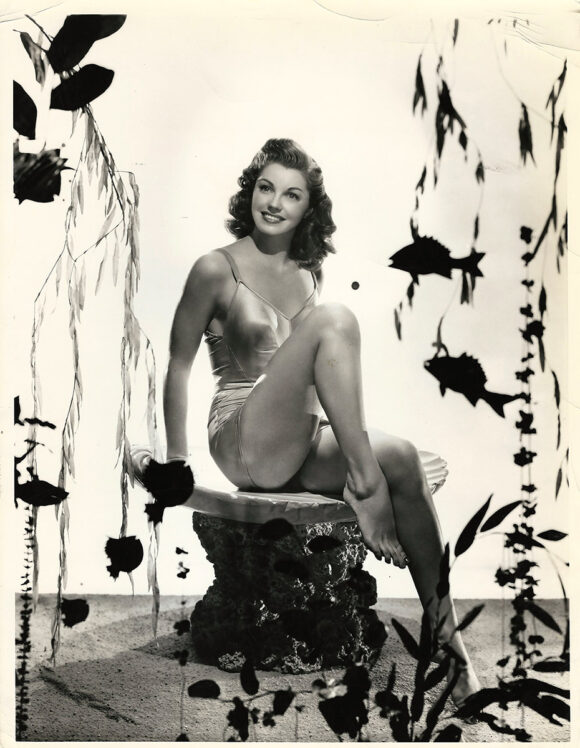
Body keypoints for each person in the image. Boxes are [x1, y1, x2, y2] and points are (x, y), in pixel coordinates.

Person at [163, 138, 480, 706]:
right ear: (250, 190)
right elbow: (178, 365)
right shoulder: (217, 267)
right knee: (338, 321)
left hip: (300, 438)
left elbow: (319, 382)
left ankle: (449, 646)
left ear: (309, 209)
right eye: (266, 187)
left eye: (292, 194)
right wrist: (175, 461)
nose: (275, 203)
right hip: (242, 435)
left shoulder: (310, 274)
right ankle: (365, 484)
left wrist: (362, 444)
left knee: (403, 456)